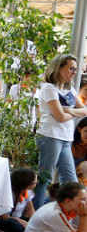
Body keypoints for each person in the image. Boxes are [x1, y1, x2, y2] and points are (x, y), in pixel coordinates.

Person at [33, 54, 87, 209]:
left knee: (71, 182)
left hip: (65, 139)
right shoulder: (49, 88)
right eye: (70, 68)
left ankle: (48, 208)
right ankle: (34, 214)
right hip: (50, 136)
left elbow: (83, 111)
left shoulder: (69, 90)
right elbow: (59, 117)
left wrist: (68, 110)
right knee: (46, 178)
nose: (73, 72)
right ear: (59, 67)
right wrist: (71, 112)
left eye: (75, 70)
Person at [0, 168, 36, 232]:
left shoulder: (27, 192)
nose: (36, 183)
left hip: (17, 218)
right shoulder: (7, 194)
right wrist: (21, 222)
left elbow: (30, 209)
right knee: (14, 225)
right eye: (35, 182)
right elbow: (1, 215)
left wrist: (35, 222)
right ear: (27, 185)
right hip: (5, 220)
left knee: (34, 225)